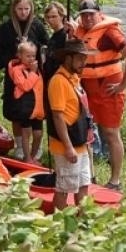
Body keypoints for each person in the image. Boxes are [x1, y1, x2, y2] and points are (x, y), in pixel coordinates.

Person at [73, 0, 126, 192]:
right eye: (84, 15)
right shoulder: (78, 30)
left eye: (91, 15)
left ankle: (115, 181)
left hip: (109, 88)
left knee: (111, 133)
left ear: (98, 14)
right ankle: (89, 176)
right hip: (87, 88)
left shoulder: (110, 32)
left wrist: (122, 85)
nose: (88, 19)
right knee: (86, 132)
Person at [46, 37, 95, 211]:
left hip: (80, 143)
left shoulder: (74, 78)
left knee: (83, 184)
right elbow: (57, 117)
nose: (84, 62)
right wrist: (68, 147)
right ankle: (58, 221)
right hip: (66, 145)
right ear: (68, 58)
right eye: (80, 58)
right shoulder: (58, 81)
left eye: (85, 58)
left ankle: (82, 220)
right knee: (64, 188)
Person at [2, 39, 45, 161]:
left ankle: (33, 156)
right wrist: (32, 72)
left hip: (37, 108)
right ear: (19, 56)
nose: (31, 59)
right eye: (28, 56)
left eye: (33, 56)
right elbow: (25, 86)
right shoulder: (17, 70)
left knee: (38, 134)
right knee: (26, 132)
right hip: (25, 108)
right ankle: (27, 158)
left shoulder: (36, 68)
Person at [0, 0, 50, 73]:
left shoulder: (37, 26)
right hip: (13, 74)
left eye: (26, 9)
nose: (23, 12)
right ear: (14, 9)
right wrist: (7, 60)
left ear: (31, 9)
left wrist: (31, 46)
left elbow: (46, 46)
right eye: (20, 9)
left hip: (33, 72)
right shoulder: (7, 27)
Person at [40, 0, 71, 80]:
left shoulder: (66, 36)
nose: (50, 20)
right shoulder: (53, 37)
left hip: (61, 79)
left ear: (61, 16)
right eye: (48, 17)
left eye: (54, 16)